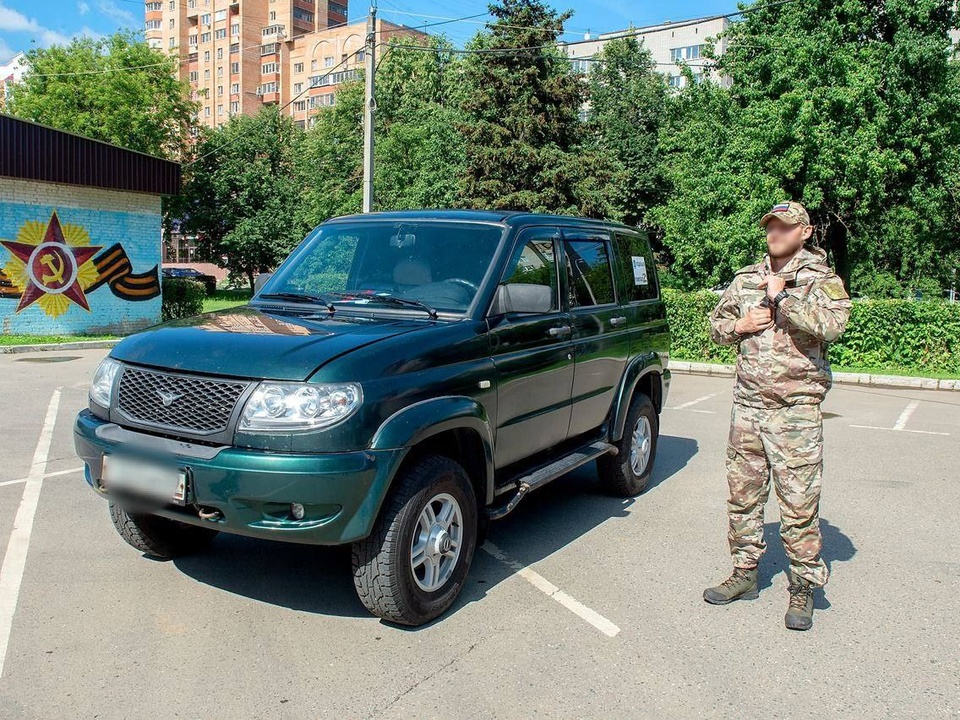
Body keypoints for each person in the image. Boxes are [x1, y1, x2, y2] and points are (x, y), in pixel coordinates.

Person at [703, 201, 852, 631]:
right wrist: (740, 325)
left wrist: (781, 297)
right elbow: (716, 328)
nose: (775, 234)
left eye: (785, 227)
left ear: (804, 232)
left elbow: (833, 325)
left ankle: (804, 586)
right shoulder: (746, 278)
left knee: (799, 502)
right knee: (743, 496)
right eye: (771, 227)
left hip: (796, 411)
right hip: (747, 407)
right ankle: (745, 572)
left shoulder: (821, 279)